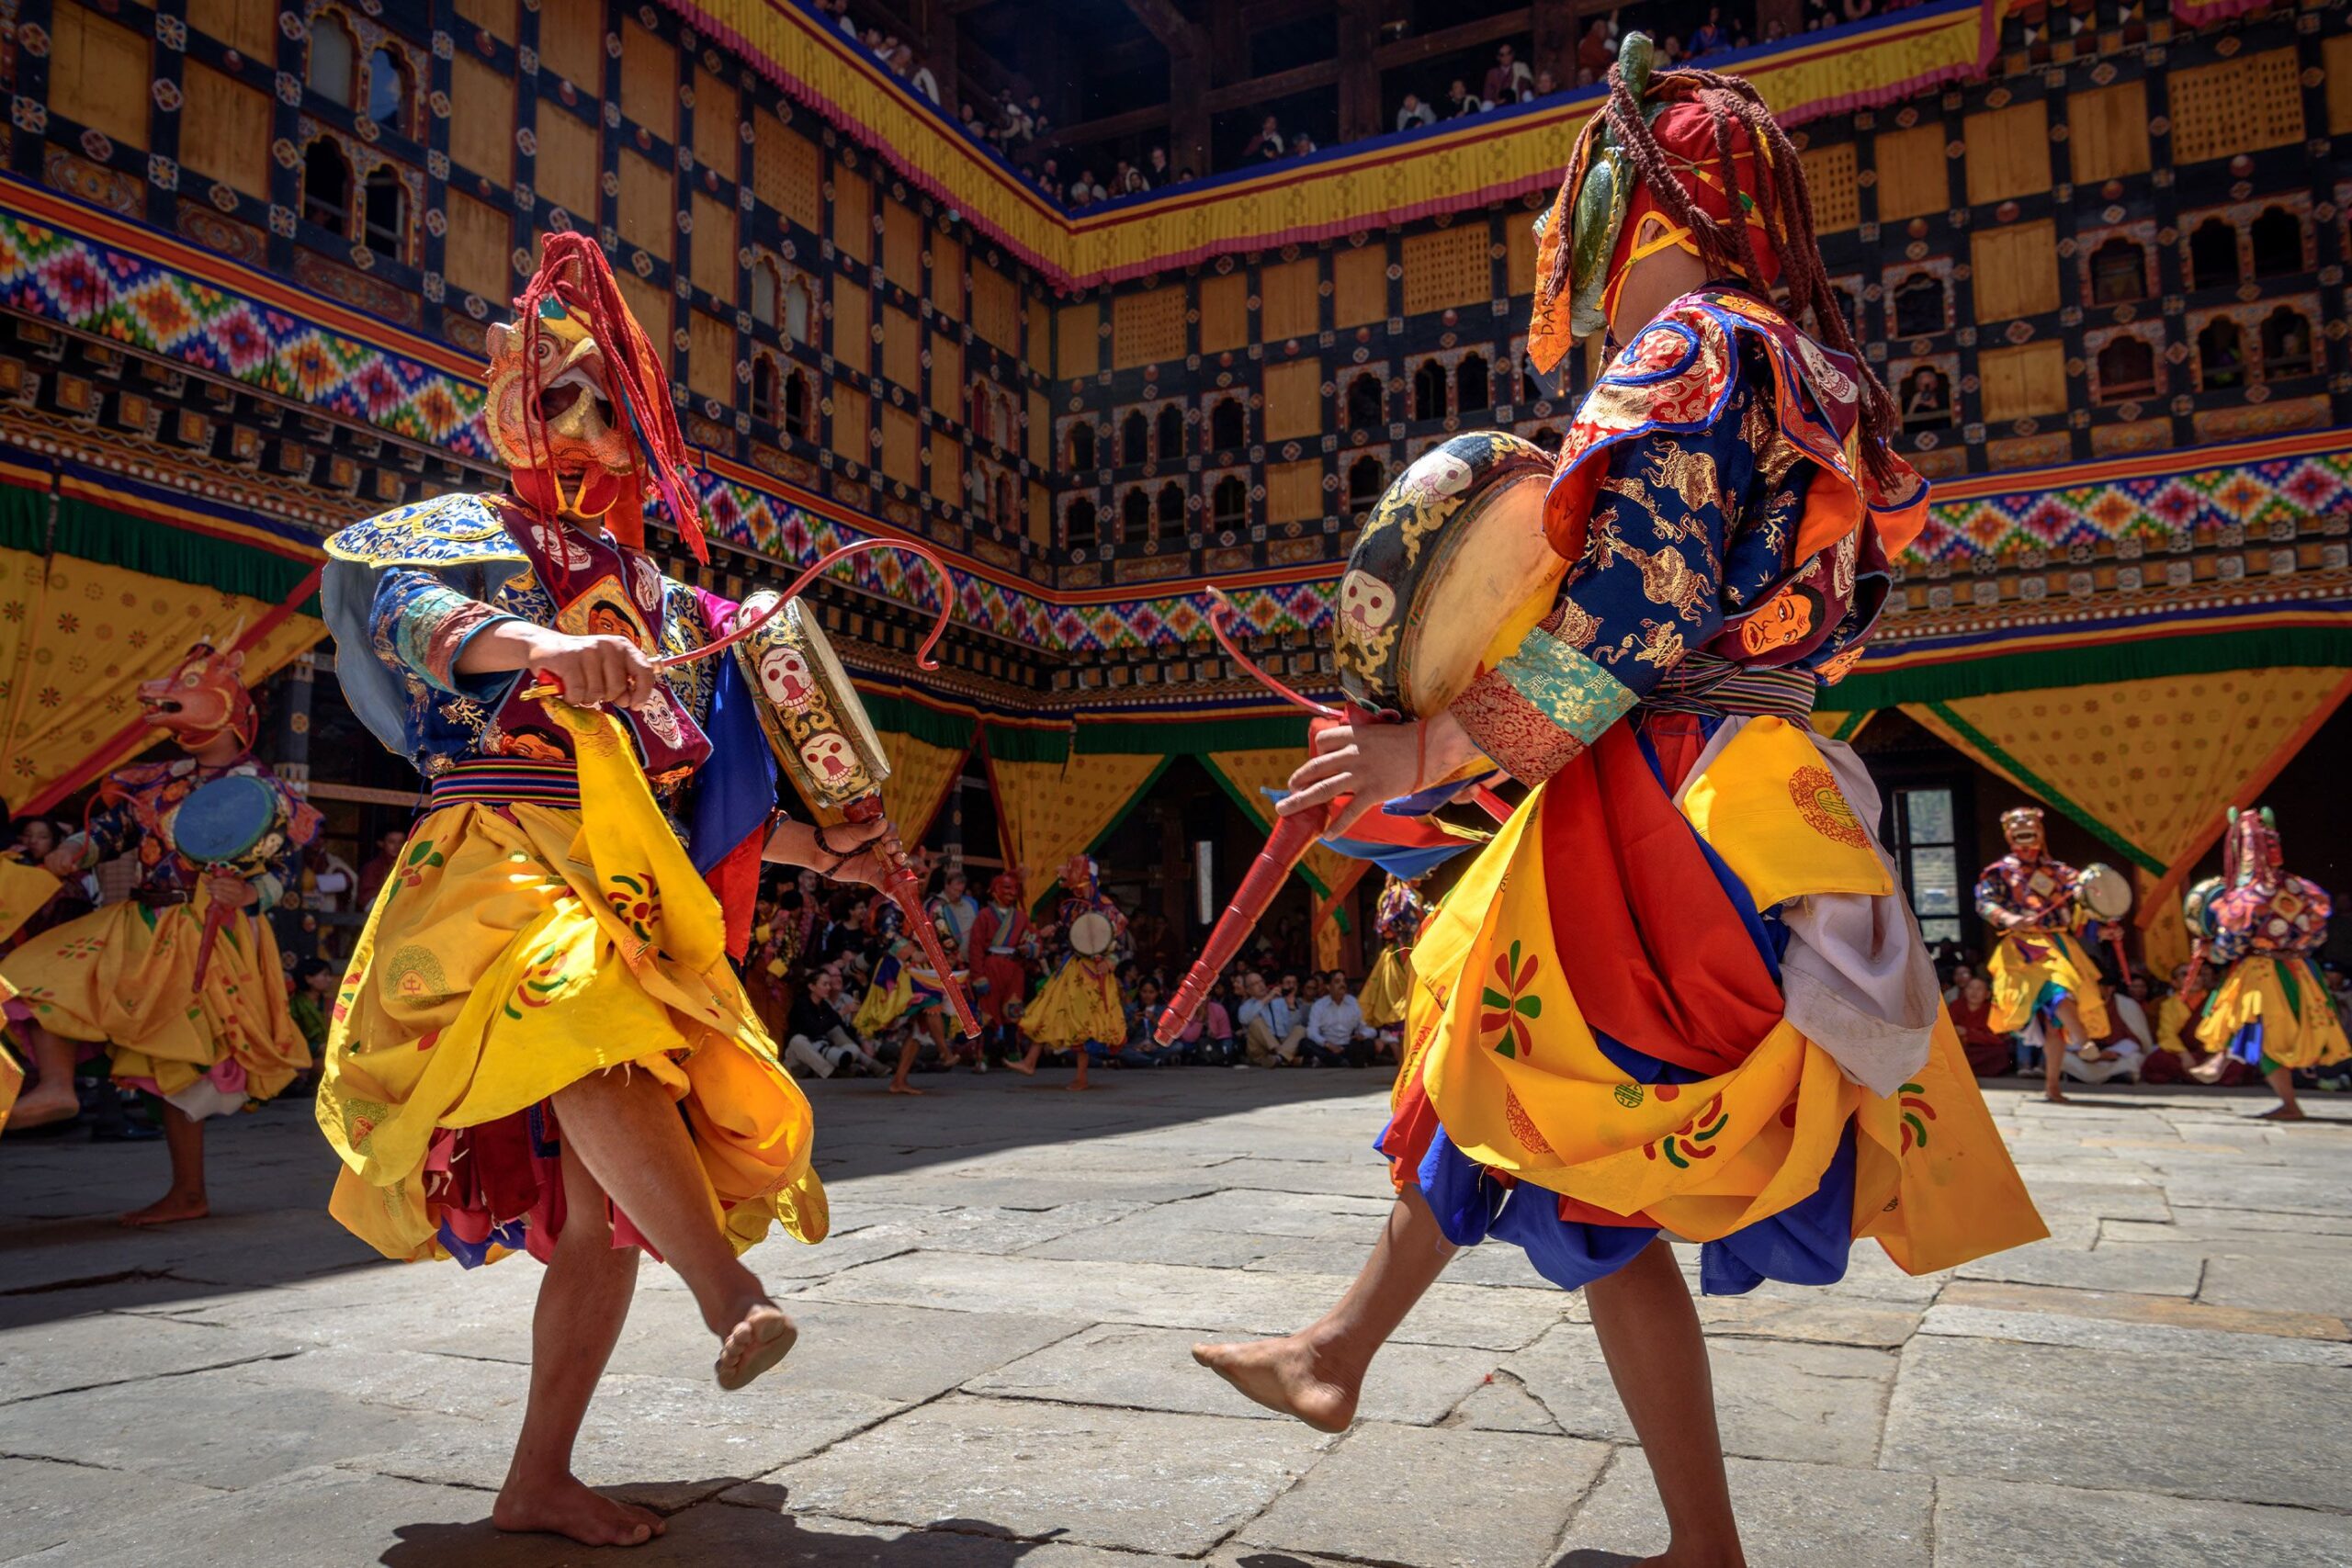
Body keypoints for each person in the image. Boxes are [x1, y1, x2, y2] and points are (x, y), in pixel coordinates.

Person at [1192, 43, 2043, 1568]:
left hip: (1663, 805)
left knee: (1520, 1086)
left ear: (1636, 213)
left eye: (1580, 219)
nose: (1567, 262)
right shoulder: (1814, 372)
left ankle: (1342, 1357)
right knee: (1536, 1125)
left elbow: (1628, 617)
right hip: (1764, 790)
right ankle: (1395, 1381)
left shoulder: (1693, 356)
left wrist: (1425, 749)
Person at [312, 235, 905, 1549]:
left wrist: (829, 852)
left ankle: (537, 1477)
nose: (584, 426)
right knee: (580, 1003)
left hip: (631, 871)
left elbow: (705, 798)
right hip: (496, 856)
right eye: (558, 394)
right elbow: (418, 620)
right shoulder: (456, 538)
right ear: (511, 405)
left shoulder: (674, 603)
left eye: (611, 406)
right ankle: (727, 1288)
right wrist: (545, 643)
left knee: (590, 1220)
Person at [1, 638, 320, 1213]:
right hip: (138, 919)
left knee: (172, 1058)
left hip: (205, 933)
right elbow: (112, 833)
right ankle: (56, 1087)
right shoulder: (155, 780)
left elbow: (287, 872)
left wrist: (250, 890)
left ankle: (188, 1192)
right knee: (31, 975)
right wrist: (75, 847)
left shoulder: (263, 792)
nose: (165, 699)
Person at [2187, 807, 2347, 1119]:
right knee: (2265, 1030)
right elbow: (2317, 935)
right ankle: (2225, 1062)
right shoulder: (2300, 888)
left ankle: (2280, 1099)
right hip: (2299, 971)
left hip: (2261, 971)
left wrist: (2210, 954)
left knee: (2253, 1023)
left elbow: (2230, 947)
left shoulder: (2248, 896)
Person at [1977, 807, 2109, 1103]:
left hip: (2062, 944)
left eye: (2030, 825)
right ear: (2008, 834)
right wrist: (2010, 919)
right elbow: (1984, 902)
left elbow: (2084, 910)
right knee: (2058, 987)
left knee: (2055, 1022)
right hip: (2026, 947)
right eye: (2018, 826)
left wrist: (2102, 928)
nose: (2025, 830)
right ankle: (2084, 1040)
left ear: (2040, 831)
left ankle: (2052, 1085)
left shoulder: (2062, 873)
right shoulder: (2000, 872)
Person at [1012, 854, 1126, 1089]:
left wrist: (1111, 961)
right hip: (1072, 968)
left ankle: (1081, 1077)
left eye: (1083, 886)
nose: (1079, 891)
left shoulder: (1107, 908)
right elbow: (1067, 930)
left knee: (1082, 1023)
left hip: (1094, 973)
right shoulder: (1073, 906)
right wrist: (1050, 931)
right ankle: (1030, 1061)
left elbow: (1119, 943)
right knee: (1048, 1009)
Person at [784, 964, 883, 1079]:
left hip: (821, 1054)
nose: (828, 988)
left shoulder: (824, 1005)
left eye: (829, 984)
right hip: (799, 1059)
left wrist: (851, 1017)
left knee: (846, 1042)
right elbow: (814, 1029)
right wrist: (840, 1013)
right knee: (797, 1040)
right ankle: (832, 1072)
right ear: (812, 987)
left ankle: (859, 1066)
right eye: (824, 984)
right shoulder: (802, 1004)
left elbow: (842, 1031)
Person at [1358, 874, 1424, 1041]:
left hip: (1407, 948)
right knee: (1402, 993)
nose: (1422, 876)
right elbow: (1386, 926)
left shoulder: (1404, 894)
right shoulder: (1399, 895)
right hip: (1402, 950)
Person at [969, 873, 1035, 1031]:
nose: (1012, 892)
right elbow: (975, 947)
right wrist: (978, 976)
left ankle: (1012, 1051)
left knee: (1013, 1008)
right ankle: (985, 1053)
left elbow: (1033, 938)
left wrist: (1030, 948)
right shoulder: (984, 915)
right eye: (1007, 887)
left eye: (1015, 888)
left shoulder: (1022, 917)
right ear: (995, 889)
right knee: (988, 1011)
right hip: (991, 967)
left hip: (1014, 967)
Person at [1236, 968, 1305, 1066]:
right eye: (1255, 984)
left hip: (1282, 1041)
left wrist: (1291, 1006)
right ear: (1248, 990)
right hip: (1259, 1048)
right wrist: (1267, 999)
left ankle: (1279, 1058)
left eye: (1261, 981)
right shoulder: (1247, 1006)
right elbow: (1244, 1019)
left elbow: (1292, 1027)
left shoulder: (1280, 1001)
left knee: (1300, 1029)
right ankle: (1284, 1056)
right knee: (1257, 1022)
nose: (1260, 985)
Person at [1303, 969, 1370, 1066]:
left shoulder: (1354, 1003)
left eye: (1344, 981)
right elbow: (1312, 1031)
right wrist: (1327, 1044)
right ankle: (1341, 1061)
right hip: (1327, 1046)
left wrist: (1363, 1035)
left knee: (1368, 1043)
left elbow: (1369, 1028)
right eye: (1337, 982)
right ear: (1328, 987)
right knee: (1305, 1043)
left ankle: (1330, 1061)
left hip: (1348, 1046)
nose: (1342, 985)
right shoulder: (1319, 1005)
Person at [1949, 973, 2011, 1077]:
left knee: (2000, 1053)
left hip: (1982, 1049)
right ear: (1965, 991)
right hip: (1960, 1048)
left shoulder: (1993, 1010)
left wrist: (1968, 1033)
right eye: (1970, 988)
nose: (1974, 992)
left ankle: (1962, 1069)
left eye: (1979, 989)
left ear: (1987, 994)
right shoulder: (1956, 1005)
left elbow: (1997, 1039)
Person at [1482, 44, 1532, 109]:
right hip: (1498, 107)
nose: (1506, 57)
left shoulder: (1520, 68)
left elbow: (1525, 87)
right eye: (1502, 55)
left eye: (1509, 53)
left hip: (1518, 104)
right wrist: (1497, 102)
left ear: (1513, 54)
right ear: (1498, 57)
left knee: (1527, 95)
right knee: (1486, 105)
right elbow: (1488, 95)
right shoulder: (1492, 73)